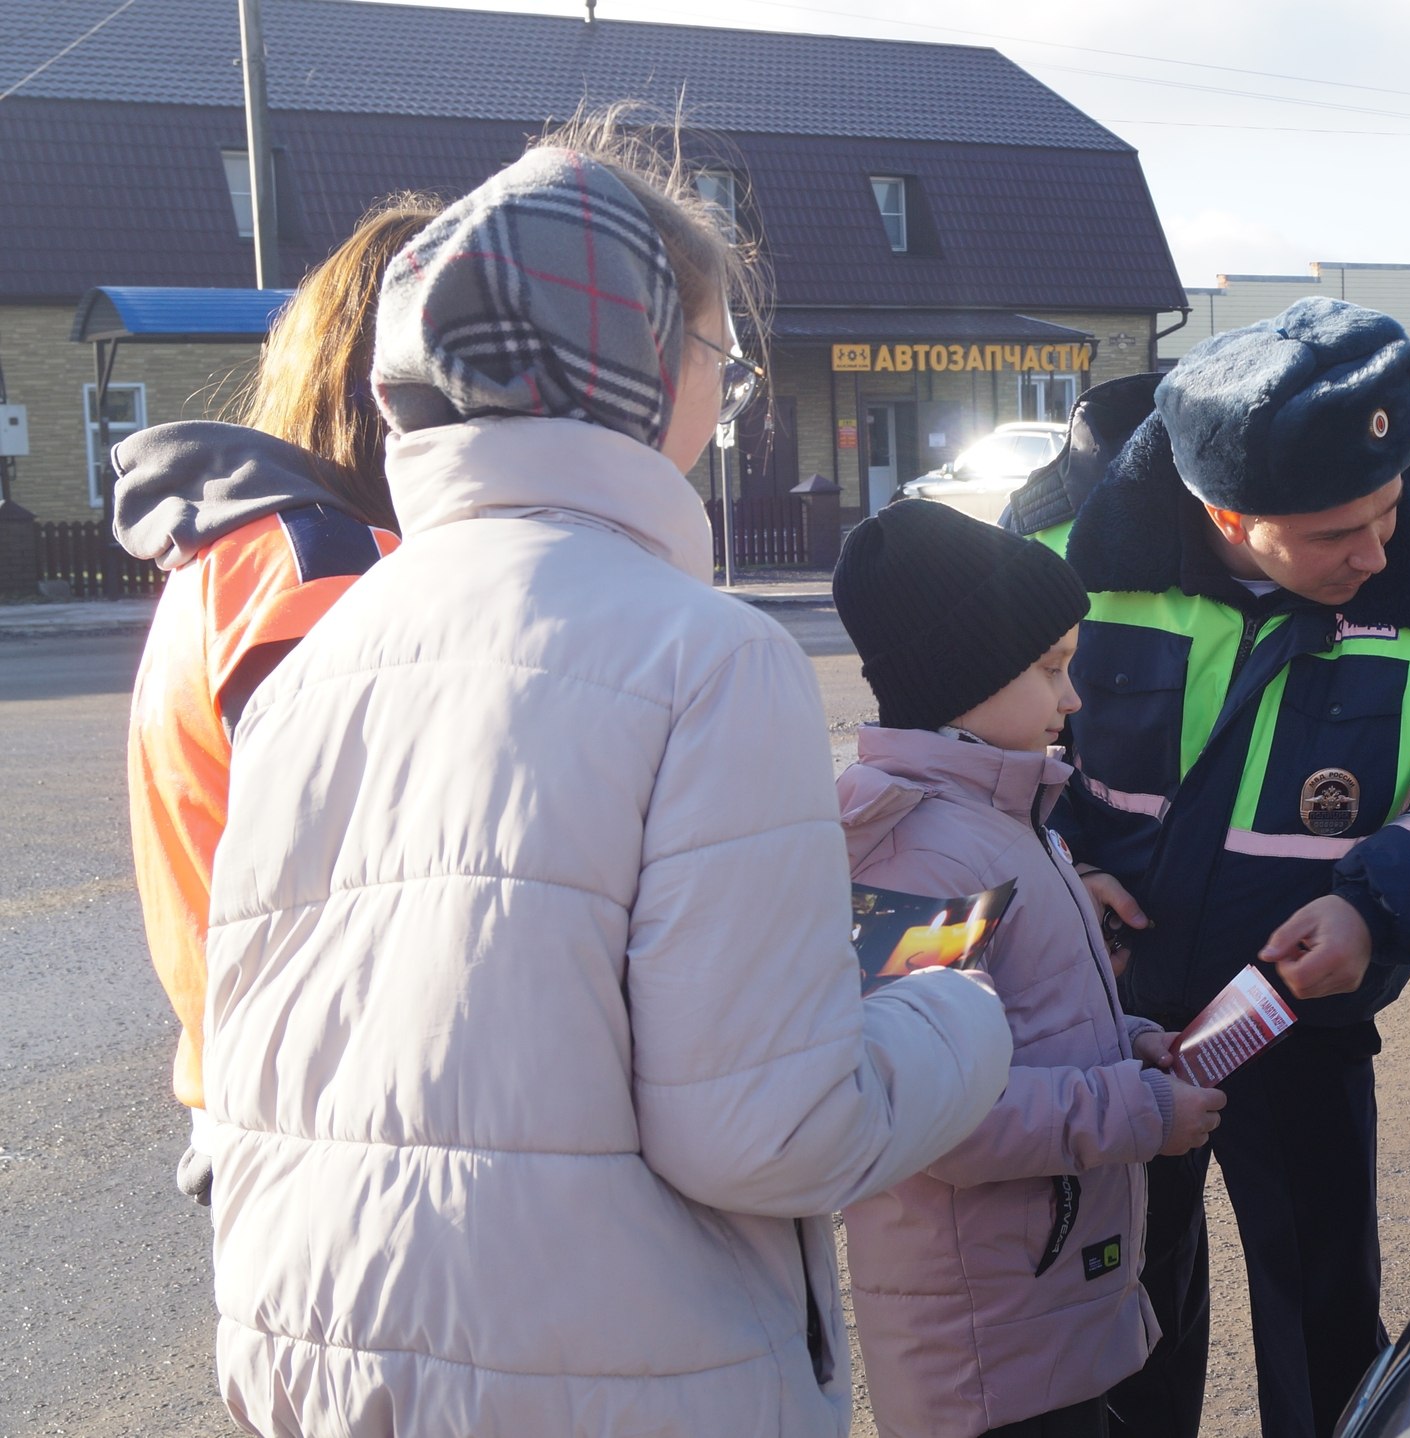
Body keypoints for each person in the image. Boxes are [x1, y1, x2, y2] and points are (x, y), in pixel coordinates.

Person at [198, 125, 1013, 1436]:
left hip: (323, 1362)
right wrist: (962, 1017)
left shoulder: (320, 656)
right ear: (643, 368)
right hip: (613, 1379)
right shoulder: (707, 657)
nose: (725, 399)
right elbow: (773, 1130)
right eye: (722, 362)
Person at [1006, 296, 1410, 1438]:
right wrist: (1055, 872)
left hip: (1300, 1018)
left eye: (1389, 509)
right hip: (1093, 1024)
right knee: (1120, 1326)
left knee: (1326, 1332)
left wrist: (1376, 910)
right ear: (1224, 514)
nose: (1377, 553)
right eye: (1335, 535)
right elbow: (963, 759)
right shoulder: (1053, 550)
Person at [828, 499, 1230, 1438]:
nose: (1073, 698)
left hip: (1032, 1308)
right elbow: (931, 1111)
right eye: (1051, 667)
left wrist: (1132, 1042)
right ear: (960, 677)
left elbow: (1028, 1025)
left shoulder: (999, 819)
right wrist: (1138, 1112)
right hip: (985, 1346)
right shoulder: (924, 856)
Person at [112, 193, 439, 1208]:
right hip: (332, 1115)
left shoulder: (249, 550)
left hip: (267, 1085)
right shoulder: (325, 565)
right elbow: (379, 882)